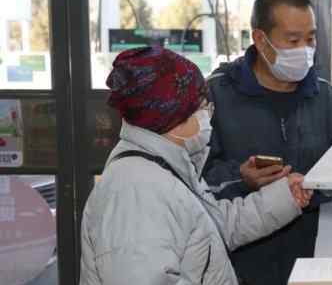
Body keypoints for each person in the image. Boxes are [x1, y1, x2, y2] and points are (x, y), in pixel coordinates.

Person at [79, 47, 313, 285]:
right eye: (201, 107)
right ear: (172, 114)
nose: (207, 116)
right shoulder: (135, 192)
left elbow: (212, 227)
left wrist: (285, 197)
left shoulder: (163, 166)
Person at [202, 0, 332, 285]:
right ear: (260, 39)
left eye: (310, 39)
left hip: (315, 256)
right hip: (242, 261)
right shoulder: (214, 96)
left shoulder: (329, 100)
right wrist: (241, 179)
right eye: (293, 40)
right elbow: (194, 177)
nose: (305, 49)